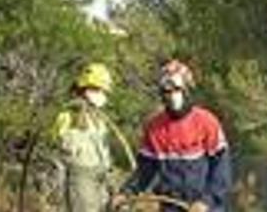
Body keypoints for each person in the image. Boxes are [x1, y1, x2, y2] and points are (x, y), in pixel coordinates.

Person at [112, 59, 232, 212]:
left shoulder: (206, 122)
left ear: (187, 89)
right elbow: (145, 170)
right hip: (170, 205)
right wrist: (126, 192)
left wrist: (206, 201)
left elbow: (221, 170)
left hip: (204, 206)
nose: (171, 95)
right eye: (166, 91)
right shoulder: (154, 127)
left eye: (176, 89)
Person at [54, 63, 116, 212]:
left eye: (103, 91)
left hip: (103, 175)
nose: (101, 94)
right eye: (96, 89)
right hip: (81, 177)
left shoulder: (100, 118)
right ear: (84, 89)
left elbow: (104, 149)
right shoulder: (68, 115)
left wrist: (110, 177)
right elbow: (61, 144)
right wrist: (76, 115)